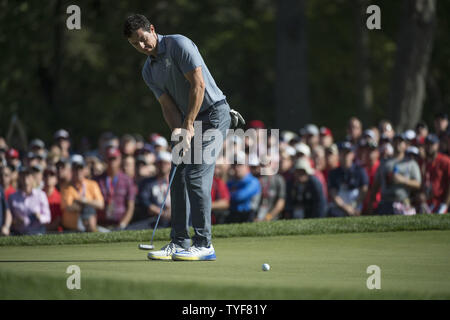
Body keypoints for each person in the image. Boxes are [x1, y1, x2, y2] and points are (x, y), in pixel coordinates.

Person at [124, 14, 235, 261]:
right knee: (178, 177)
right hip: (188, 120)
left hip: (213, 114)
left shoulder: (178, 44)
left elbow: (198, 85)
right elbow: (167, 106)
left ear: (152, 29)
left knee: (195, 174)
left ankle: (204, 244)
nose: (142, 46)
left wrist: (187, 125)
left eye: (143, 39)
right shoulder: (148, 70)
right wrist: (178, 132)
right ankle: (179, 241)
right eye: (135, 44)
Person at [370, 134, 421, 215]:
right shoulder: (384, 163)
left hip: (403, 202)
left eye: (400, 142)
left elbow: (418, 184)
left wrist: (403, 180)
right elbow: (376, 185)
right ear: (392, 144)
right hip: (385, 203)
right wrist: (371, 205)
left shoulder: (411, 163)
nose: (397, 144)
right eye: (395, 141)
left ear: (405, 145)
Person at [61, 155, 104, 232]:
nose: (78, 172)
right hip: (70, 229)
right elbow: (69, 207)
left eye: (80, 168)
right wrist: (89, 204)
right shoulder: (65, 187)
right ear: (71, 170)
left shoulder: (92, 184)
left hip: (90, 227)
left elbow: (100, 204)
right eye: (75, 169)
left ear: (84, 170)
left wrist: (83, 201)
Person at [131, 151, 173, 230]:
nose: (162, 165)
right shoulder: (147, 182)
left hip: (173, 218)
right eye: (160, 163)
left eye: (165, 163)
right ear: (156, 164)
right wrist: (159, 211)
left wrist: (172, 210)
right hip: (153, 219)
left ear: (171, 165)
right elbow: (143, 200)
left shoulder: (177, 182)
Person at [96, 148, 136, 229]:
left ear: (120, 160)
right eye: (110, 159)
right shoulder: (97, 180)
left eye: (114, 158)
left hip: (120, 224)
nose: (112, 161)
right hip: (100, 224)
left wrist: (122, 224)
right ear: (105, 160)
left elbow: (130, 206)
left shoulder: (127, 180)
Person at [327, 142, 369, 217]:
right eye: (343, 153)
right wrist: (346, 208)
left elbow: (364, 191)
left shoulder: (360, 170)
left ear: (352, 155)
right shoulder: (333, 173)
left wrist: (353, 206)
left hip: (356, 204)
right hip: (340, 207)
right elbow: (334, 194)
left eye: (348, 153)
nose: (345, 156)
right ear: (339, 155)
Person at [8, 167, 51, 235]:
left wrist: (39, 217)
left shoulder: (41, 195)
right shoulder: (12, 197)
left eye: (28, 176)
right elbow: (9, 217)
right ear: (19, 178)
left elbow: (47, 217)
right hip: (19, 234)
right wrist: (15, 221)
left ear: (32, 178)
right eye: (23, 176)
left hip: (37, 233)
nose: (25, 179)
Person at [226, 153, 261, 223]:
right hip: (232, 215)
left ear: (247, 166)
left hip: (248, 216)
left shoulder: (253, 181)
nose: (236, 168)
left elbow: (239, 196)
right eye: (234, 165)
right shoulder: (230, 182)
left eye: (240, 165)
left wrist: (227, 197)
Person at [254, 156, 286, 222]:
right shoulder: (256, 179)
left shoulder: (278, 179)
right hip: (257, 216)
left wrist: (268, 217)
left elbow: (280, 203)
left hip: (273, 218)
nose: (263, 166)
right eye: (261, 164)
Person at [424, 134, 450, 214]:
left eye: (432, 144)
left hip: (440, 202)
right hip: (425, 202)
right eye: (427, 144)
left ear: (437, 145)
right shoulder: (423, 161)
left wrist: (445, 204)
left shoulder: (445, 161)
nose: (429, 147)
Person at [43, 166, 62, 232]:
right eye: (46, 175)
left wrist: (49, 228)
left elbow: (59, 218)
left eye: (51, 175)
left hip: (56, 232)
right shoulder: (37, 195)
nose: (48, 177)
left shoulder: (60, 196)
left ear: (56, 179)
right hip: (39, 230)